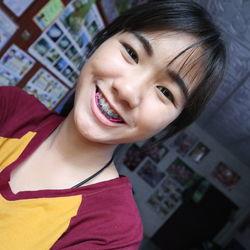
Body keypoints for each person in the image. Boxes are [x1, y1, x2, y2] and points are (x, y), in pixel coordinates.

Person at [0, 0, 226, 249]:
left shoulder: (113, 232)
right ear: (104, 39)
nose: (128, 90)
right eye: (131, 53)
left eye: (165, 92)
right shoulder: (10, 108)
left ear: (171, 124)